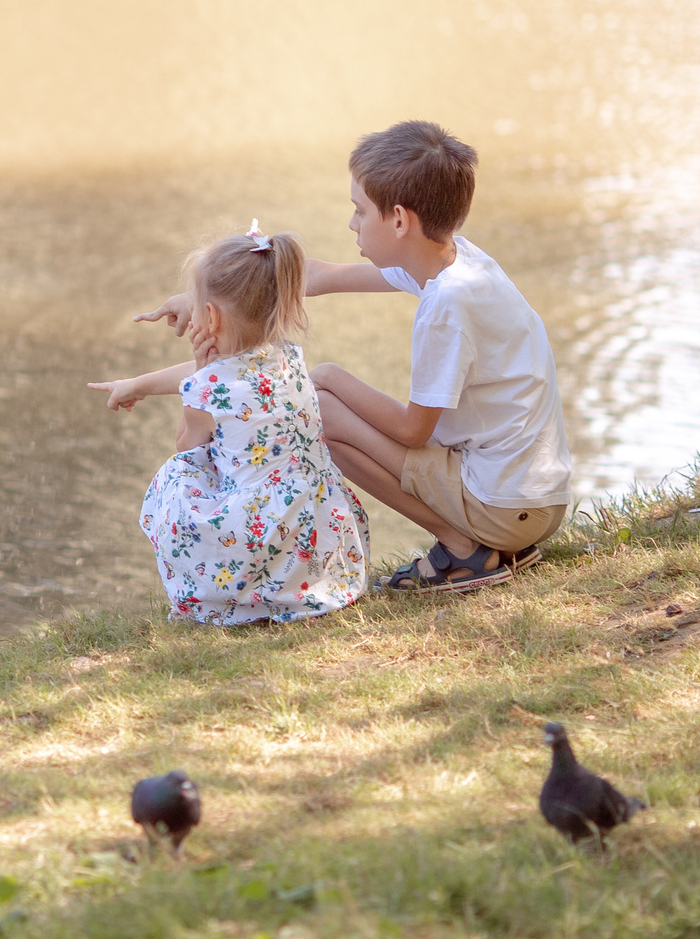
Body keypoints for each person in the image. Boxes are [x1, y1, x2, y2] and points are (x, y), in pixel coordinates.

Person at [139, 122, 571, 594]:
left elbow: (413, 430)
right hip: (532, 498)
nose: (352, 223)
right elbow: (320, 276)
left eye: (360, 211)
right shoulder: (458, 264)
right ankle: (488, 545)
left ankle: (465, 550)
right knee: (320, 410)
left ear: (400, 221)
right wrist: (204, 304)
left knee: (317, 410)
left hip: (509, 508)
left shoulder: (446, 308)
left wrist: (329, 376)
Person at [88, 226, 370, 626]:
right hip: (319, 541)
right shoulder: (288, 357)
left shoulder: (210, 382)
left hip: (259, 542)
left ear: (211, 316)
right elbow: (224, 377)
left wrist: (197, 387)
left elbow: (187, 445)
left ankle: (213, 596)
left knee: (176, 475)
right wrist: (141, 385)